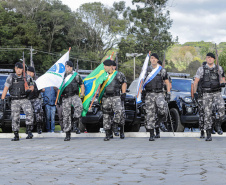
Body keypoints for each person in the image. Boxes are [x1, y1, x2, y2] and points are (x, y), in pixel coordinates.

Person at [193, 53, 225, 141]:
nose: (209, 59)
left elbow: (223, 78)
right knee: (207, 114)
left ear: (214, 59)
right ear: (206, 59)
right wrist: (195, 93)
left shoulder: (219, 68)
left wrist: (222, 82)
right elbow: (196, 82)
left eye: (211, 58)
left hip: (217, 93)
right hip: (206, 93)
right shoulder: (201, 69)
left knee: (222, 109)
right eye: (208, 58)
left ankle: (218, 124)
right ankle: (208, 134)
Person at [1, 62, 34, 141]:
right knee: (15, 117)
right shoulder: (11, 77)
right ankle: (16, 134)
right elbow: (5, 89)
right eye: (17, 69)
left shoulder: (27, 77)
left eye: (20, 69)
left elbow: (32, 86)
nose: (19, 70)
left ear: (23, 69)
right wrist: (2, 100)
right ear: (15, 69)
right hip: (15, 99)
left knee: (30, 113)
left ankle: (29, 131)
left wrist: (29, 90)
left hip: (24, 99)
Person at [142, 53, 170, 141]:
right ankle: (151, 134)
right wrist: (140, 93)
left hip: (159, 94)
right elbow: (141, 81)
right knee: (150, 114)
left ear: (157, 60)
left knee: (163, 110)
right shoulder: (146, 70)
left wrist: (168, 93)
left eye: (155, 58)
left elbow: (167, 82)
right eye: (152, 58)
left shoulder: (162, 70)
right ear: (150, 60)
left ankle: (158, 123)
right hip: (149, 94)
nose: (153, 60)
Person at [100, 59, 127, 141]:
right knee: (106, 116)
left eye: (105, 66)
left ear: (110, 66)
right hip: (106, 98)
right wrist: (99, 96)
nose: (104, 67)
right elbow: (99, 86)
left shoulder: (119, 74)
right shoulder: (103, 75)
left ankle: (115, 124)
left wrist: (123, 93)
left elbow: (124, 83)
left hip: (116, 97)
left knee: (119, 111)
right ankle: (108, 134)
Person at [61, 61, 84, 141]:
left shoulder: (76, 75)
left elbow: (81, 84)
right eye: (65, 66)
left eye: (67, 66)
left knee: (79, 107)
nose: (66, 68)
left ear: (70, 67)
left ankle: (75, 121)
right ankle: (67, 134)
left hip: (74, 95)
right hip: (65, 97)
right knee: (66, 116)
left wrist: (82, 94)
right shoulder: (62, 76)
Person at [27, 66, 44, 134]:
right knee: (29, 114)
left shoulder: (37, 80)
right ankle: (29, 129)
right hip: (28, 99)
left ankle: (39, 127)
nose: (30, 74)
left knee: (39, 113)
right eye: (29, 72)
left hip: (36, 98)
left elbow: (43, 89)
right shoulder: (25, 79)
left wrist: (37, 87)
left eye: (31, 72)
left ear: (34, 73)